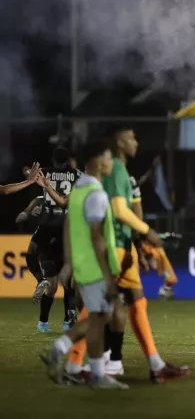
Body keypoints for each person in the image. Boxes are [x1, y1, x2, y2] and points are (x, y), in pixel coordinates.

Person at [64, 126, 188, 383]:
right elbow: (120, 210)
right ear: (119, 142)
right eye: (131, 137)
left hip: (120, 243)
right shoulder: (117, 170)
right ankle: (71, 360)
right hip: (116, 246)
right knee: (98, 307)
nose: (136, 142)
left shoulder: (108, 174)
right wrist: (147, 232)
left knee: (136, 301)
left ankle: (155, 365)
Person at [40, 139, 128, 389]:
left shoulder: (79, 190)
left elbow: (68, 226)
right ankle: (68, 356)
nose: (111, 162)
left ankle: (77, 365)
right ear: (98, 161)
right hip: (94, 267)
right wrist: (109, 276)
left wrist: (68, 263)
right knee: (100, 317)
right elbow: (97, 238)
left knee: (100, 317)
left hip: (82, 264)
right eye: (109, 157)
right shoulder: (96, 194)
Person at [32, 147, 83, 332]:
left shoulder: (44, 173)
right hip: (67, 232)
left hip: (48, 231)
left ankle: (43, 323)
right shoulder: (79, 176)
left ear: (53, 159)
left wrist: (30, 210)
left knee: (52, 285)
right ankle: (66, 322)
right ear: (68, 160)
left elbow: (29, 176)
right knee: (69, 282)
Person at [130, 174, 178, 300]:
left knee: (158, 252)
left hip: (136, 239)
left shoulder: (134, 188)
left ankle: (167, 286)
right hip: (121, 240)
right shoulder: (122, 183)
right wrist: (146, 232)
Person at [16, 196, 45, 291]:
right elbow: (18, 219)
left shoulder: (65, 199)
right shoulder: (39, 200)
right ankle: (41, 280)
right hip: (45, 234)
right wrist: (29, 213)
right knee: (30, 255)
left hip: (61, 235)